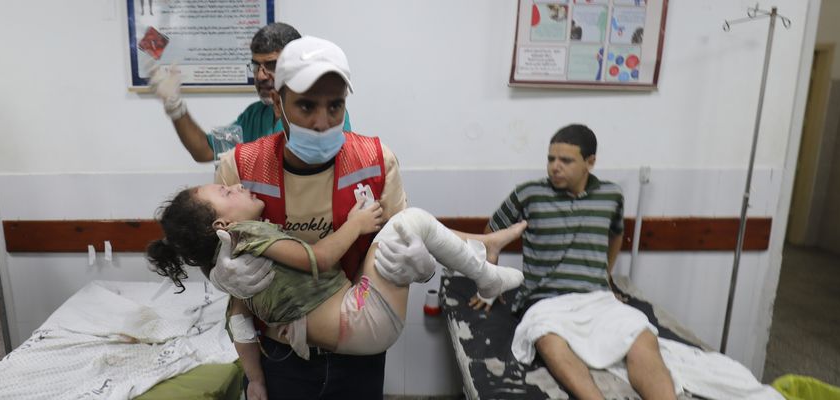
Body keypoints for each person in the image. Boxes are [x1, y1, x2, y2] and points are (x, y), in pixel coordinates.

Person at [205, 36, 437, 399]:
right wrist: (218, 271)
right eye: (306, 105)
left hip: (360, 350)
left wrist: (419, 264)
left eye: (335, 106)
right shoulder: (239, 166)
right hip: (279, 351)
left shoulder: (376, 161)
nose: (322, 122)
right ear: (278, 104)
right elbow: (212, 245)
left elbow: (404, 239)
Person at [147, 184, 526, 399]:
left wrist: (256, 381)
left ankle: (482, 248)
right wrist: (357, 222)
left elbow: (240, 328)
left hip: (355, 320)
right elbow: (321, 259)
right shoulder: (247, 235)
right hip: (360, 318)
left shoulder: (231, 271)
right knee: (410, 221)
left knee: (405, 227)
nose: (236, 185)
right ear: (222, 223)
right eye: (226, 190)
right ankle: (484, 269)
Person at [484, 125, 677, 400]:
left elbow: (616, 234)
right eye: (551, 159)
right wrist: (488, 283)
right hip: (544, 301)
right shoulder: (528, 194)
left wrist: (606, 276)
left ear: (590, 162)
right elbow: (490, 234)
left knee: (643, 335)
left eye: (566, 160)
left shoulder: (611, 195)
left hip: (597, 299)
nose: (555, 167)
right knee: (547, 339)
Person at [148, 22, 352, 162]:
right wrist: (175, 107)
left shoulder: (325, 113)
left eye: (272, 65)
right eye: (256, 66)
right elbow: (206, 151)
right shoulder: (254, 115)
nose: (261, 76)